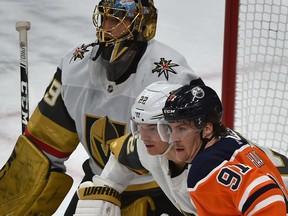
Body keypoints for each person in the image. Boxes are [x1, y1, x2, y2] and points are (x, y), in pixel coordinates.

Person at [0, 0, 204, 215]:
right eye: (107, 18)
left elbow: (195, 148)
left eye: (121, 19)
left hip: (162, 190)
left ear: (143, 24)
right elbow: (45, 145)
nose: (109, 27)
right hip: (97, 185)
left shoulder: (173, 77)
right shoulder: (74, 66)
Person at [159, 84, 288, 215]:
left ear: (207, 129)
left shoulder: (205, 168)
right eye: (170, 129)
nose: (173, 138)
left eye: (182, 129)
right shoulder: (231, 141)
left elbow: (268, 198)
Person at [73, 81, 197, 216]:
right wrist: (105, 191)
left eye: (152, 128)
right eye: (139, 126)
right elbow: (121, 155)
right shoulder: (149, 147)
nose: (143, 137)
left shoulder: (211, 166)